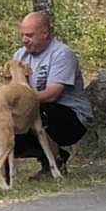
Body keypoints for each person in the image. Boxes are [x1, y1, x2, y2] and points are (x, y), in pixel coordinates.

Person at [12, 11, 90, 175]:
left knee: (36, 110)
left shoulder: (62, 54)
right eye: (23, 35)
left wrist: (20, 104)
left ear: (45, 33)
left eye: (29, 35)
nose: (24, 40)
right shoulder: (20, 56)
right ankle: (52, 157)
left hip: (71, 117)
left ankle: (55, 162)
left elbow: (52, 94)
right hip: (39, 109)